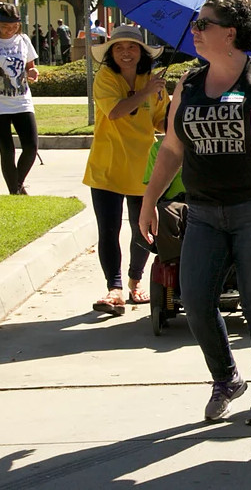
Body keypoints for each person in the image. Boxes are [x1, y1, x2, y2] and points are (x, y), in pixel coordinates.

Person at [139, 0, 251, 425]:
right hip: (204, 212)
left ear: (230, 33)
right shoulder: (188, 84)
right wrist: (149, 200)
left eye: (203, 24)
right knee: (193, 299)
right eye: (196, 24)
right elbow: (173, 148)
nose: (195, 31)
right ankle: (226, 377)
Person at [84, 26, 168, 315]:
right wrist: (146, 92)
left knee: (142, 229)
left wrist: (181, 118)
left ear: (142, 52)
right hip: (106, 166)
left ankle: (135, 282)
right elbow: (116, 111)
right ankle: (114, 288)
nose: (126, 53)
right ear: (110, 53)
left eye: (132, 47)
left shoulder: (153, 81)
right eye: (118, 48)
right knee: (108, 230)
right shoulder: (105, 77)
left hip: (142, 167)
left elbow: (160, 122)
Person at [0, 4, 40, 195]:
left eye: (13, 26)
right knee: (7, 149)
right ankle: (15, 191)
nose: (9, 29)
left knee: (31, 147)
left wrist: (32, 72)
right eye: (5, 26)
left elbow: (30, 66)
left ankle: (17, 185)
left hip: (21, 100)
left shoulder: (23, 40)